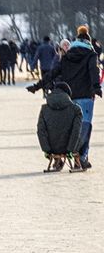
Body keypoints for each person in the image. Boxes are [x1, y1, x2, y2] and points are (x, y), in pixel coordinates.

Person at [28, 25, 100, 168]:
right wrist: (96, 87)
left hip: (70, 98)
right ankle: (81, 158)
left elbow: (53, 73)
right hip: (86, 97)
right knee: (85, 127)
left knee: (71, 127)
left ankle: (65, 156)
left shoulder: (67, 57)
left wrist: (37, 86)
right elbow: (93, 71)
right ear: (88, 42)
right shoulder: (91, 55)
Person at [36, 81, 84, 171]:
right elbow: (76, 132)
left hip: (52, 148)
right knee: (83, 132)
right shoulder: (76, 109)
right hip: (70, 147)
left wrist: (47, 150)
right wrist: (70, 149)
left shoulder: (44, 109)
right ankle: (78, 162)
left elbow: (41, 131)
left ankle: (57, 160)